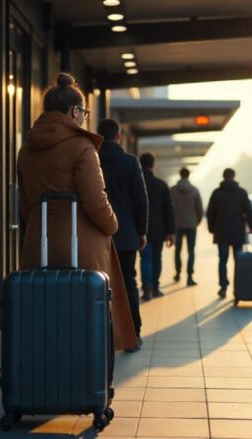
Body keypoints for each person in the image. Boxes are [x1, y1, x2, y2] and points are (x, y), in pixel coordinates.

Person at [16, 73, 138, 360]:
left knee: (44, 319)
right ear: (74, 111)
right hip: (79, 246)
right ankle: (83, 383)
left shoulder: (26, 150)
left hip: (38, 242)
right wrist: (113, 224)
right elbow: (96, 201)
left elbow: (24, 204)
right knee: (86, 319)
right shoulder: (82, 147)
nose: (85, 117)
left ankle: (47, 382)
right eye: (84, 112)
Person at [97, 118, 148, 352]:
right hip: (126, 236)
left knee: (97, 286)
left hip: (97, 234)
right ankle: (132, 335)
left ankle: (101, 335)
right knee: (128, 284)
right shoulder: (129, 162)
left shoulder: (90, 158)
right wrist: (141, 231)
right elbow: (140, 200)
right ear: (119, 137)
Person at [206, 168, 252, 299]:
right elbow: (249, 211)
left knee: (222, 260)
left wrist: (211, 228)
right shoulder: (241, 193)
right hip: (238, 232)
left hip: (221, 232)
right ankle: (237, 287)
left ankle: (223, 287)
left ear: (223, 177)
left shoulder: (216, 193)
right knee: (238, 261)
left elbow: (210, 213)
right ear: (234, 177)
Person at [138, 152, 175, 301]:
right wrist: (171, 232)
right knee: (156, 258)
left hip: (141, 229)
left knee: (145, 258)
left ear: (140, 164)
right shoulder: (161, 185)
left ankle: (146, 288)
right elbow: (169, 209)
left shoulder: (137, 183)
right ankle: (155, 287)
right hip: (159, 230)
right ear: (154, 165)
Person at [170, 167, 203, 286]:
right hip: (191, 225)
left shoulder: (173, 190)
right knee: (191, 251)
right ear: (188, 175)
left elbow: (169, 208)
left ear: (180, 175)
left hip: (177, 225)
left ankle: (178, 273)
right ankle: (190, 276)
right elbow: (200, 209)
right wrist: (196, 221)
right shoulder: (194, 190)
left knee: (177, 250)